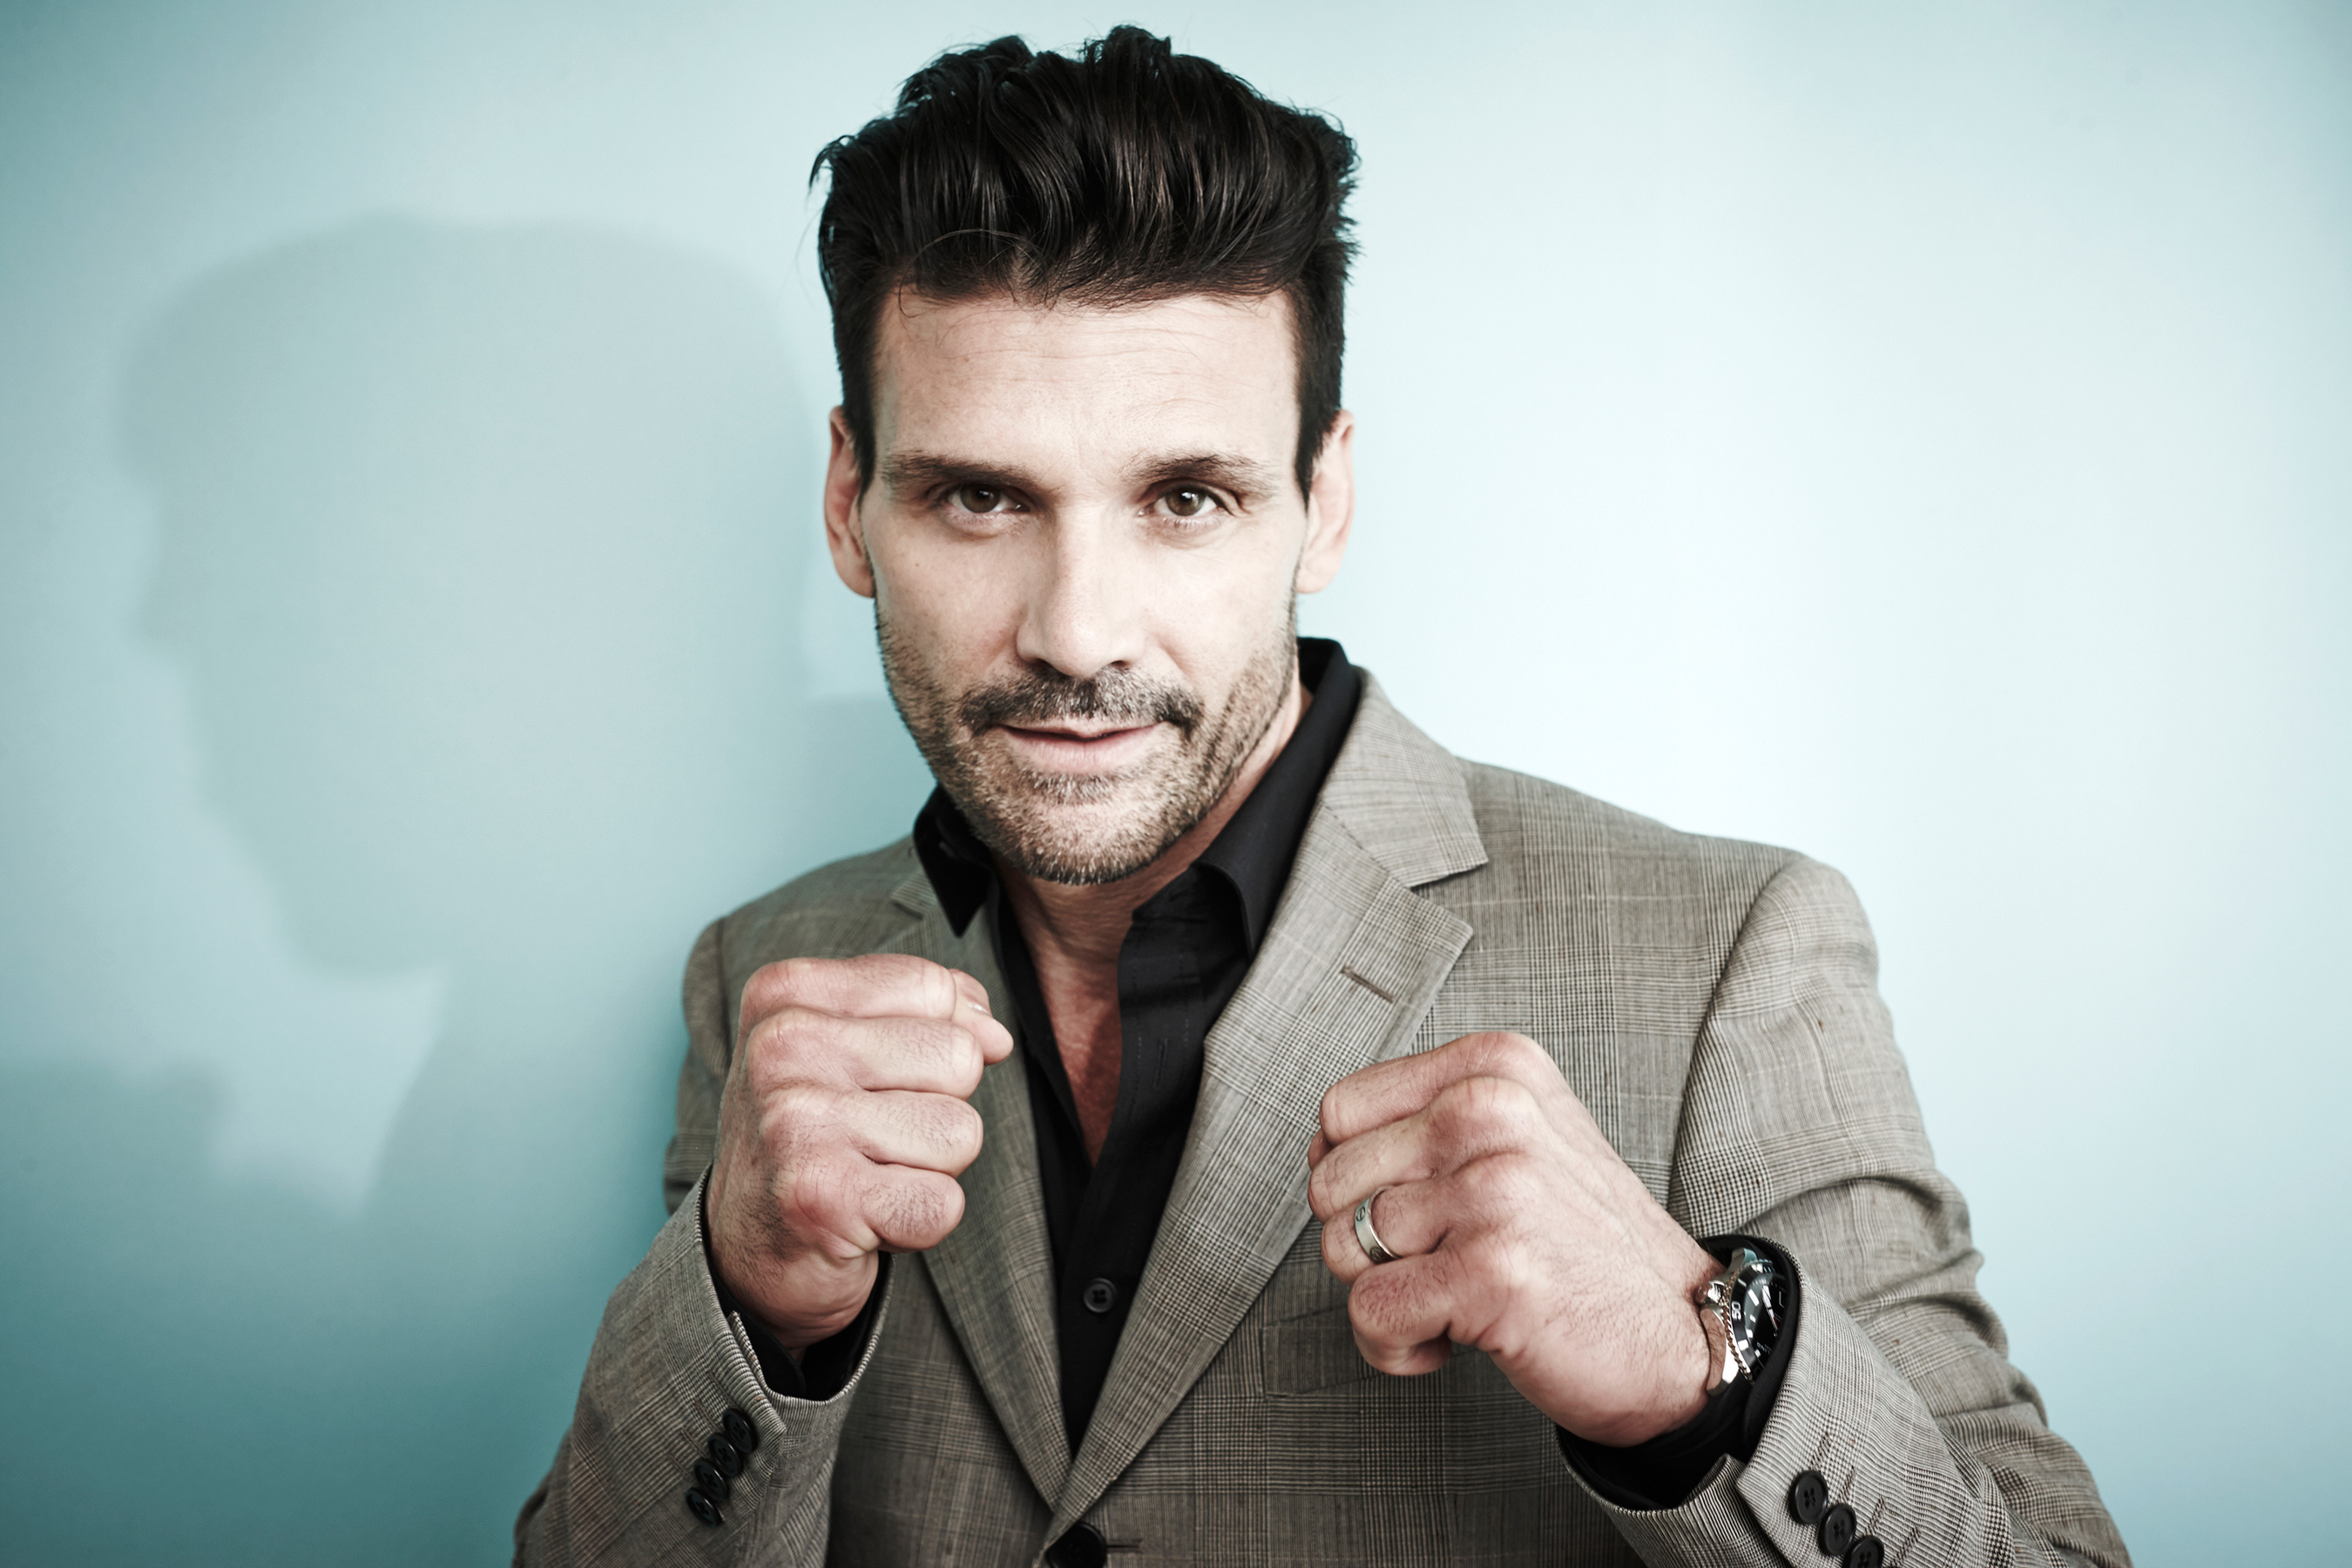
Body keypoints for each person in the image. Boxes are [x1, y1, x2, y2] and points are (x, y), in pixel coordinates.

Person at [517, 29, 2128, 1568]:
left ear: (1324, 500)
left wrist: (1700, 1371)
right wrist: (742, 1303)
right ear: (849, 502)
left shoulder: (1729, 961)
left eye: (1187, 498)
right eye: (982, 497)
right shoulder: (763, 979)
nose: (1077, 631)